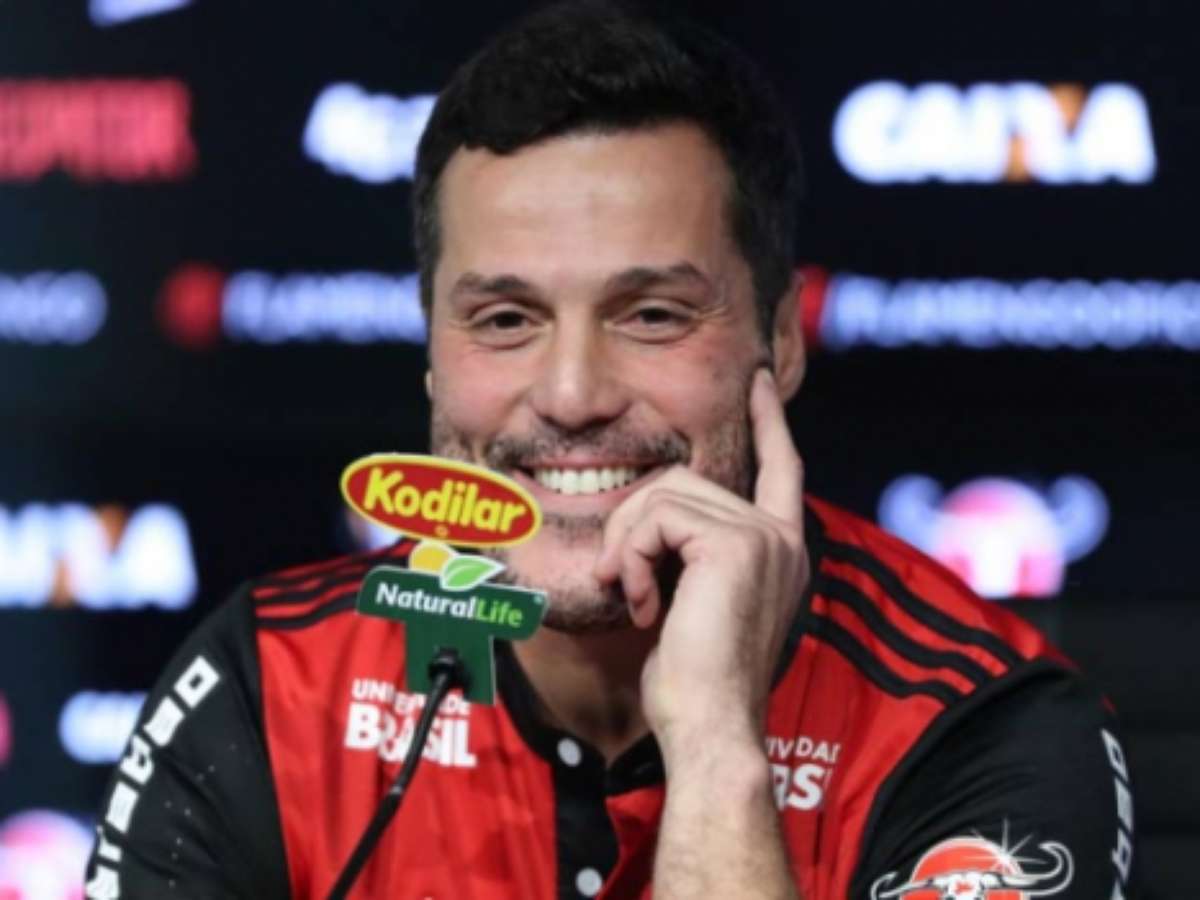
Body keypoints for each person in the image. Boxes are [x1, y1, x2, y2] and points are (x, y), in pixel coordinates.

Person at [85, 3, 1136, 898]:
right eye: (505, 320)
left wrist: (716, 747)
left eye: (652, 315)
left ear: (780, 341)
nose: (573, 396)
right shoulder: (275, 687)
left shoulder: (978, 723)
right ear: (432, 357)